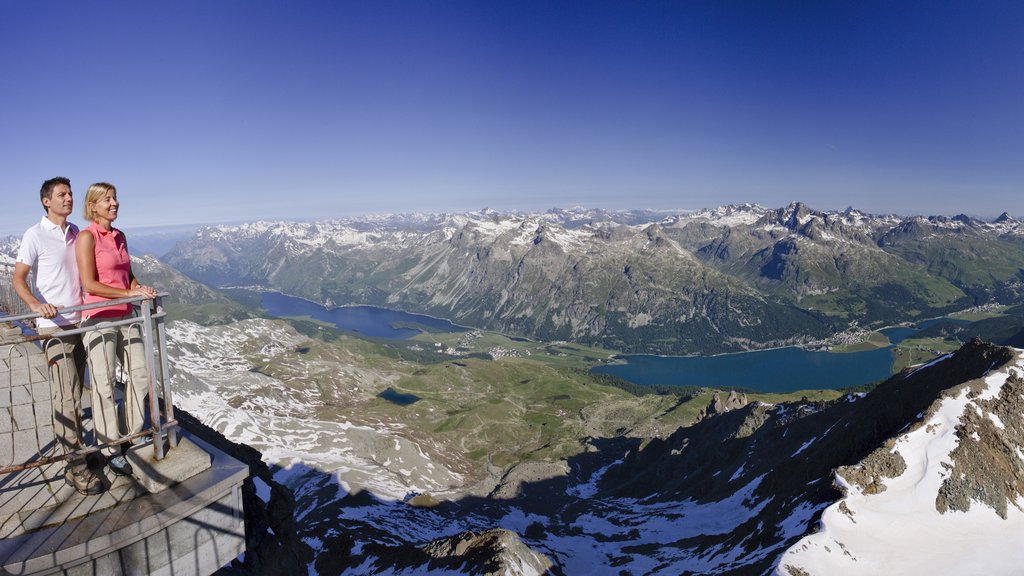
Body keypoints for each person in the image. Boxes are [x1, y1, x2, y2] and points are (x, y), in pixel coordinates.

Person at [13, 177, 103, 495]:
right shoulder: (34, 235)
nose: (68, 198)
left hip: (80, 323)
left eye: (70, 193)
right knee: (65, 397)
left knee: (76, 393)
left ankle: (75, 450)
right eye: (61, 194)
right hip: (54, 328)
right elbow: (19, 278)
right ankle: (75, 468)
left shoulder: (76, 232)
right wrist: (36, 305)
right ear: (46, 201)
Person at [76, 182, 157, 478]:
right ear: (93, 206)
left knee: (139, 372)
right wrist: (128, 295)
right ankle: (110, 447)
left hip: (125, 316)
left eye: (115, 198)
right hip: (99, 319)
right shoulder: (87, 237)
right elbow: (90, 284)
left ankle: (133, 433)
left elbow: (127, 276)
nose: (114, 203)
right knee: (104, 382)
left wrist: (138, 288)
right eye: (107, 200)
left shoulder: (119, 236)